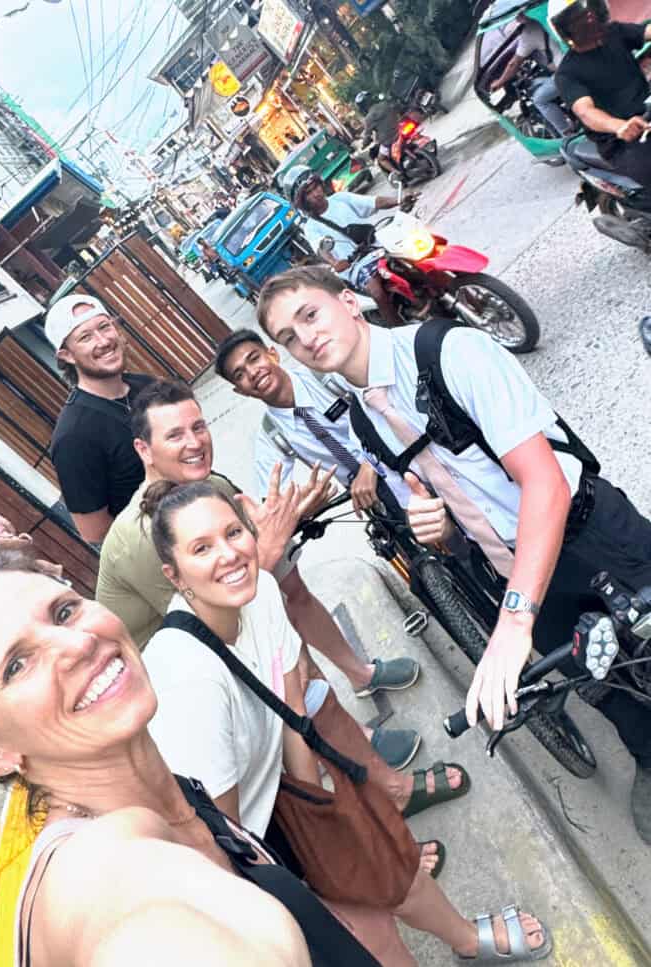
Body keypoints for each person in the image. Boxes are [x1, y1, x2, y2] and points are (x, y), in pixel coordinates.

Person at [256, 264, 651, 844]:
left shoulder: (450, 351)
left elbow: (545, 484)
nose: (306, 338)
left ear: (349, 301)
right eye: (288, 337)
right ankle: (646, 753)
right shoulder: (364, 421)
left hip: (587, 531)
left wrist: (514, 621)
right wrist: (438, 526)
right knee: (593, 677)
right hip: (508, 566)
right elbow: (443, 509)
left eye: (310, 315)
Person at [143, 481, 552, 964]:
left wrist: (324, 819)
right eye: (202, 548)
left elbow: (293, 711)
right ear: (175, 576)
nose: (229, 555)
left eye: (233, 532)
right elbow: (222, 838)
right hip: (239, 845)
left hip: (282, 791)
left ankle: (466, 939)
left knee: (391, 861)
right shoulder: (189, 678)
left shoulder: (262, 593)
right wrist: (300, 891)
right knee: (368, 936)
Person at [0, 553, 392, 967]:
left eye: (64, 612)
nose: (78, 644)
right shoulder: (96, 879)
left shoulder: (171, 788)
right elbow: (141, 927)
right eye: (17, 666)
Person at [96, 380, 424, 770]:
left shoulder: (211, 485)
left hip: (224, 612)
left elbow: (264, 558)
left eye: (198, 427)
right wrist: (267, 552)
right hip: (178, 677)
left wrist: (293, 515)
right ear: (144, 450)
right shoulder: (142, 534)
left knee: (291, 591)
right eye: (175, 435)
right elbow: (220, 624)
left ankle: (360, 676)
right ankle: (350, 750)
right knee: (275, 642)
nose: (195, 442)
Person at [214, 328, 414, 516]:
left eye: (254, 358)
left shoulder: (326, 374)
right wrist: (301, 509)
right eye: (239, 375)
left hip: (407, 457)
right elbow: (272, 505)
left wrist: (370, 463)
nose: (252, 372)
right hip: (371, 497)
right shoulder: (272, 435)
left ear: (273, 354)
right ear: (240, 391)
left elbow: (390, 400)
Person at [45, 293, 154, 546]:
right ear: (67, 355)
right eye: (85, 337)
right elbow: (94, 532)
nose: (103, 341)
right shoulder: (73, 437)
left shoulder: (150, 387)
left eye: (104, 327)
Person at [282, 164, 416, 329]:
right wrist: (335, 262)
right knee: (377, 291)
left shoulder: (341, 199)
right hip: (355, 266)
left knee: (413, 256)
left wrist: (399, 200)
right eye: (309, 193)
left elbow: (374, 202)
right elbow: (321, 248)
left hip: (377, 247)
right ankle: (399, 330)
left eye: (315, 186)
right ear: (303, 202)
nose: (316, 193)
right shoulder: (311, 227)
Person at [551, 0, 651, 187]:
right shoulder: (567, 74)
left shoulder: (614, 33)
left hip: (647, 114)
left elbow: (646, 31)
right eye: (581, 17)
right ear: (567, 30)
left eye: (591, 10)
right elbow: (586, 112)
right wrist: (619, 126)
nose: (591, 17)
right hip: (620, 142)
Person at [488, 11, 573, 137]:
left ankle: (567, 133)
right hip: (574, 59)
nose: (517, 19)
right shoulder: (544, 18)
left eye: (517, 16)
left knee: (539, 99)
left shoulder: (529, 31)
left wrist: (499, 82)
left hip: (567, 72)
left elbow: (514, 64)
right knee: (543, 81)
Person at [355, 91, 401, 176]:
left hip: (389, 140)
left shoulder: (369, 118)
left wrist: (363, 145)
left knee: (381, 159)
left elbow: (367, 136)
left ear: (362, 107)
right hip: (400, 129)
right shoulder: (384, 104)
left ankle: (397, 173)